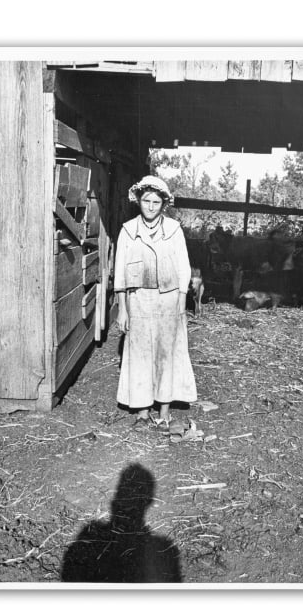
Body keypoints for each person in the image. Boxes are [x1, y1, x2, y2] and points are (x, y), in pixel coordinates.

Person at [114, 175, 197, 428]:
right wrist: (122, 309)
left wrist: (182, 301)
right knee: (139, 354)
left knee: (166, 353)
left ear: (164, 204)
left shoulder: (173, 230)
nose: (150, 206)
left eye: (156, 202)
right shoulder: (128, 230)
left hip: (168, 299)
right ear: (138, 201)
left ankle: (164, 409)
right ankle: (141, 409)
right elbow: (119, 272)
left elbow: (184, 268)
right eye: (146, 200)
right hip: (138, 299)